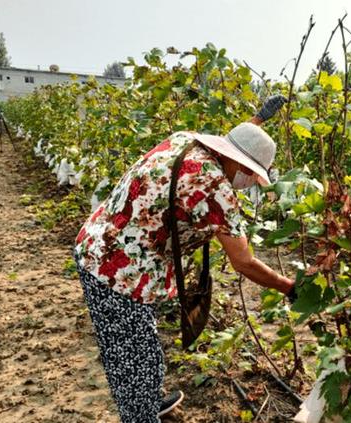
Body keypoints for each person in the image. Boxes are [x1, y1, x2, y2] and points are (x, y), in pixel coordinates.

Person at [72, 96, 293, 422]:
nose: (249, 184)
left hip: (102, 242)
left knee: (143, 350)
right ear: (245, 167)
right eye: (252, 176)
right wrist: (289, 286)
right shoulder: (215, 188)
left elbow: (235, 146)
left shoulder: (184, 141)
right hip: (114, 271)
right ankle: (140, 415)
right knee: (131, 361)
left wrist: (258, 120)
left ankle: (146, 404)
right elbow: (244, 262)